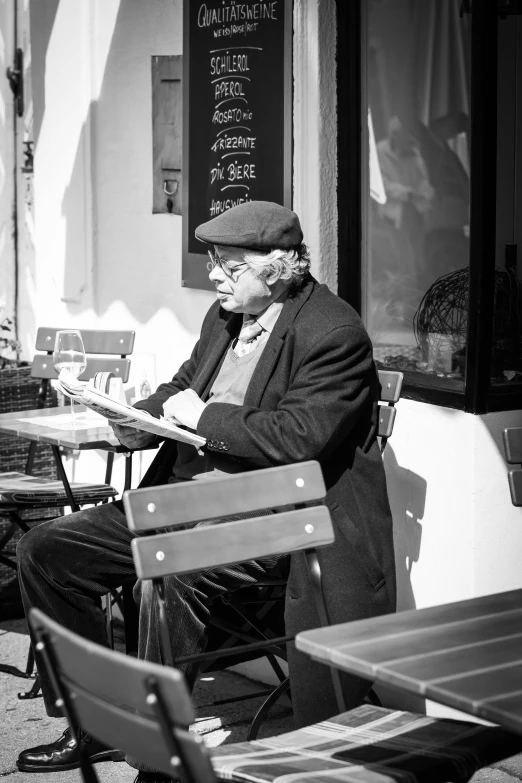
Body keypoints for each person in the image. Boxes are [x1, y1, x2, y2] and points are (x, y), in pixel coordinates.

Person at [16, 201, 396, 778]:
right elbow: (181, 387)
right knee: (45, 552)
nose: (214, 275)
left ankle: (154, 743)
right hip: (184, 498)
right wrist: (132, 418)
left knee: (169, 568)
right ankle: (96, 721)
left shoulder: (332, 332)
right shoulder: (225, 316)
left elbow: (301, 438)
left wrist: (203, 418)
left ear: (279, 265)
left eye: (228, 264)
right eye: (212, 260)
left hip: (274, 511)